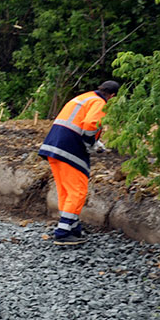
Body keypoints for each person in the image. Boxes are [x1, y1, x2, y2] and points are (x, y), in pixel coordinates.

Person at [38, 80, 120, 245]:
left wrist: (94, 142)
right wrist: (90, 144)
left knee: (65, 191)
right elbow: (90, 124)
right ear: (112, 96)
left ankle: (73, 226)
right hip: (70, 149)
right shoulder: (99, 102)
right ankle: (63, 231)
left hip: (54, 147)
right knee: (78, 191)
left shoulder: (85, 97)